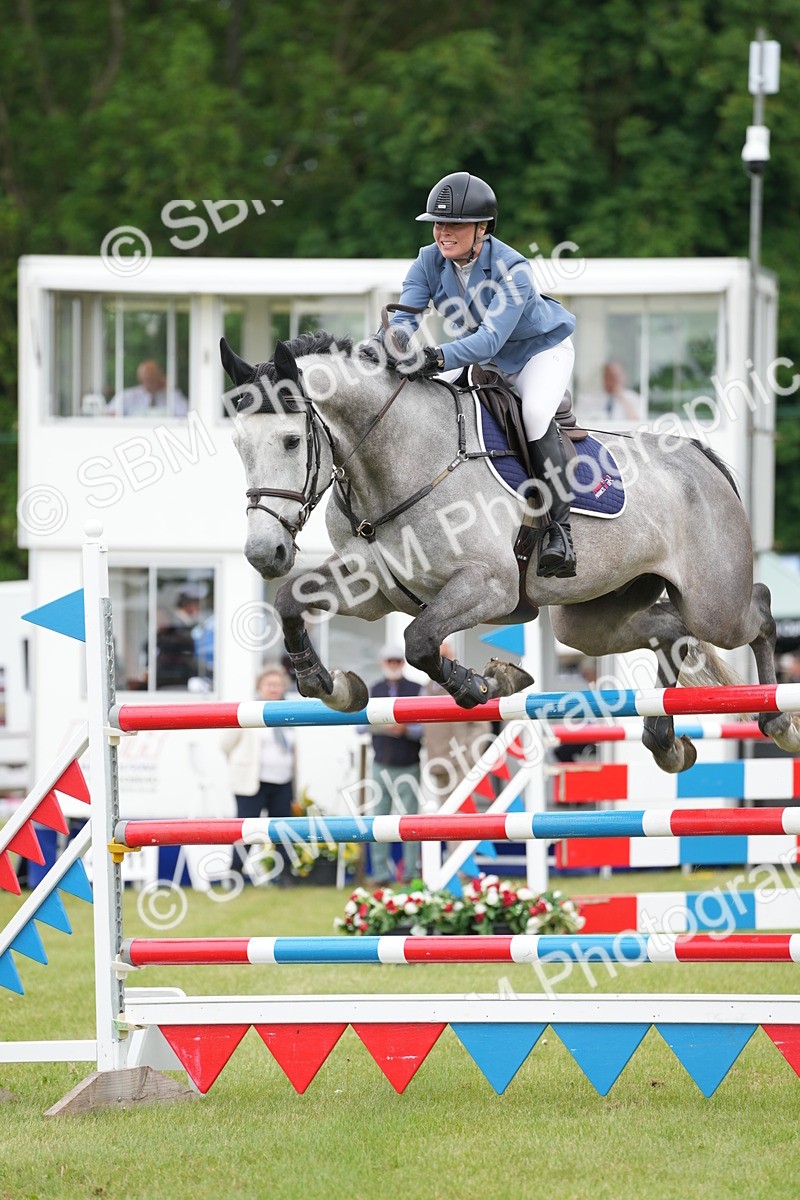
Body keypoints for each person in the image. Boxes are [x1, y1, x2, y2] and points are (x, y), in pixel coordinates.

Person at [387, 171, 577, 578]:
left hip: (539, 353)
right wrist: (387, 346)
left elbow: (490, 340)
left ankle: (560, 532)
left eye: (453, 224)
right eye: (438, 223)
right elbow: (405, 316)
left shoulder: (513, 269)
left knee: (534, 415)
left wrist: (435, 357)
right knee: (429, 399)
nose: (442, 232)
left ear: (482, 228)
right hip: (481, 352)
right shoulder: (428, 260)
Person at [221, 664, 296, 878]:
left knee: (283, 830)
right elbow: (226, 744)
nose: (274, 689)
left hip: (283, 782)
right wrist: (239, 766)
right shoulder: (248, 711)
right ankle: (235, 872)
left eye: (278, 685)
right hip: (252, 782)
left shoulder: (289, 713)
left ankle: (285, 873)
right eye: (269, 684)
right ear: (259, 686)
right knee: (246, 829)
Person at [366, 643, 423, 885]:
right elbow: (361, 724)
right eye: (389, 661)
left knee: (410, 820)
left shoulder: (418, 689)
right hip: (381, 763)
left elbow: (423, 727)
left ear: (402, 663)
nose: (393, 665)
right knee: (379, 819)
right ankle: (380, 873)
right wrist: (389, 727)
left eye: (397, 661)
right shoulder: (372, 689)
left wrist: (405, 729)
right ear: (382, 663)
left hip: (409, 762)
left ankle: (411, 871)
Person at [422, 641, 488, 801]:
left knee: (460, 812)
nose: (439, 661)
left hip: (459, 763)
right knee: (445, 813)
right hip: (438, 762)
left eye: (444, 656)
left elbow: (482, 726)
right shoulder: (428, 687)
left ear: (453, 658)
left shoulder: (464, 685)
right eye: (435, 657)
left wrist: (469, 757)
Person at [106, 359, 189, 417]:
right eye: (147, 377)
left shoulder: (170, 396)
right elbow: (110, 414)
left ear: (160, 377)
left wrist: (170, 388)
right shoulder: (128, 396)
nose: (150, 381)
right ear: (140, 378)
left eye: (153, 377)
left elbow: (185, 414)